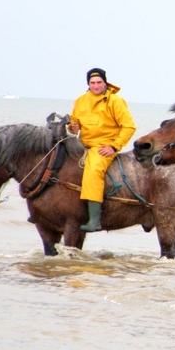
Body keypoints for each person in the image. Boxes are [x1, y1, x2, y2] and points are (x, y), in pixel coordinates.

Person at [68, 68, 137, 232]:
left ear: (105, 83)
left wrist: (114, 146)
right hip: (81, 144)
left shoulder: (115, 101)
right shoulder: (80, 100)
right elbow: (73, 126)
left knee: (93, 172)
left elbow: (129, 127)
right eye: (92, 83)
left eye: (99, 82)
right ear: (88, 84)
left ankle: (95, 220)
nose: (96, 86)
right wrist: (72, 127)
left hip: (103, 146)